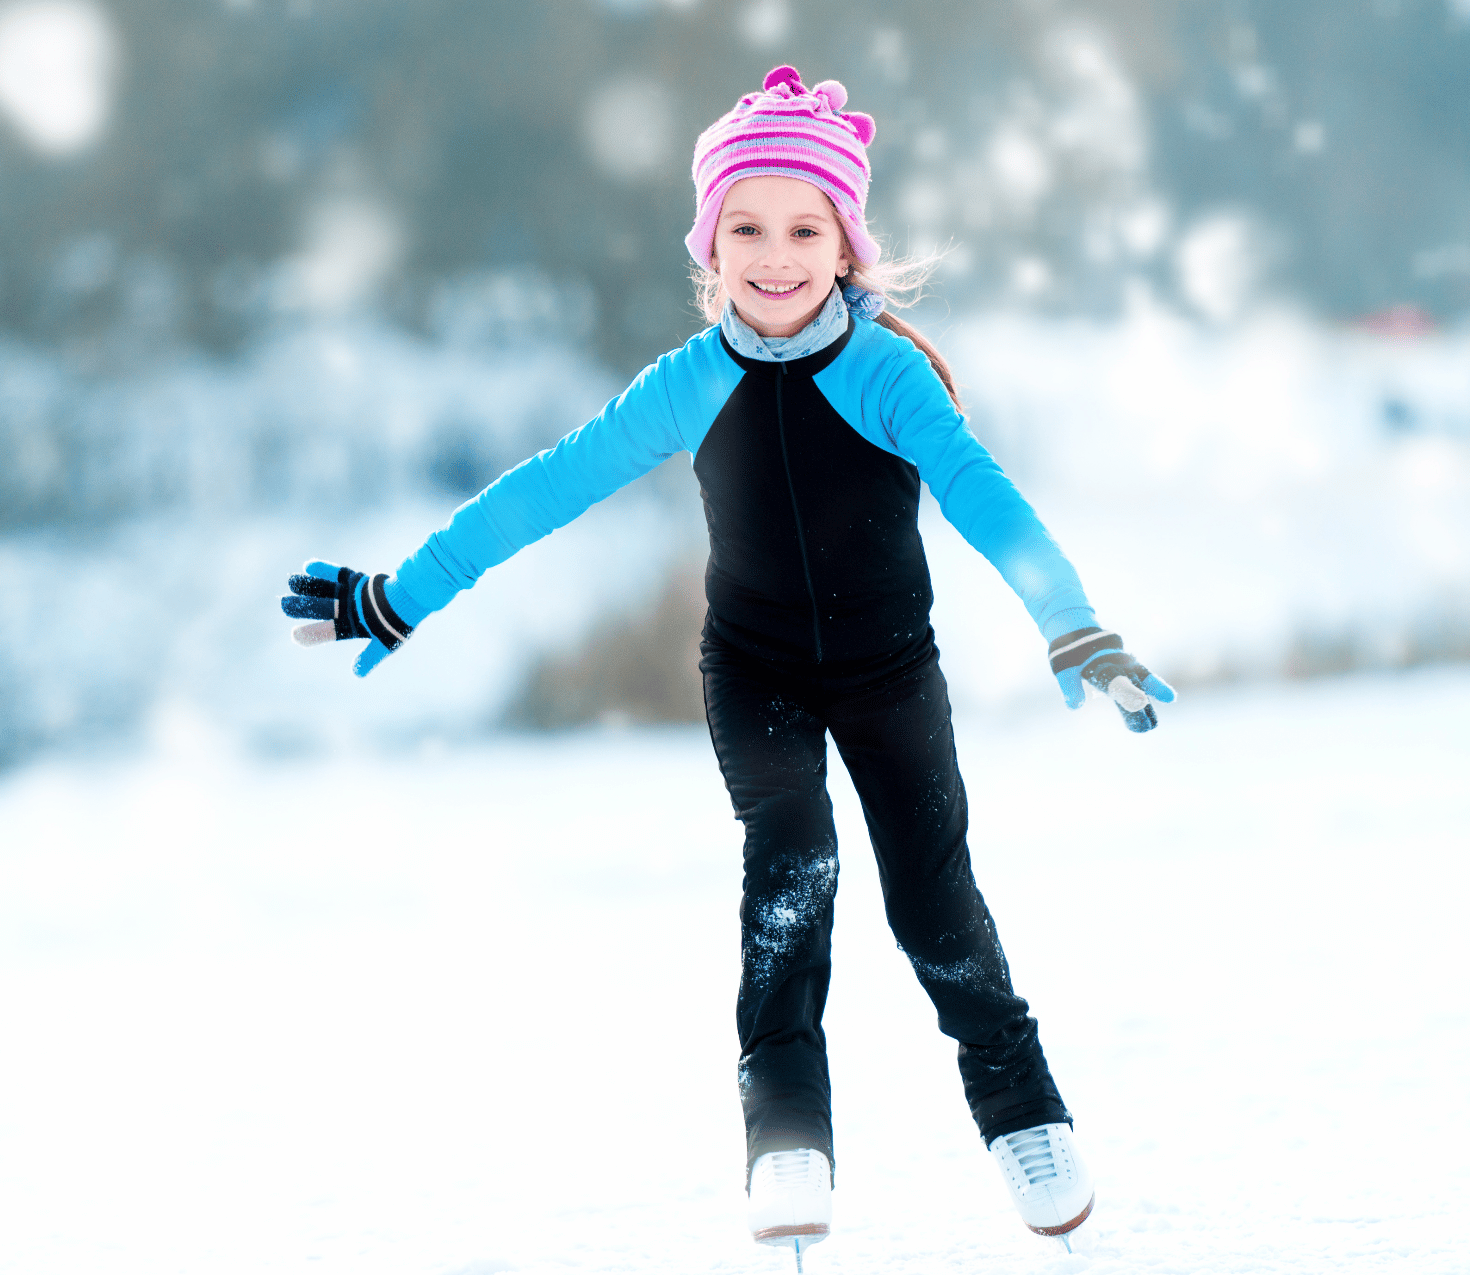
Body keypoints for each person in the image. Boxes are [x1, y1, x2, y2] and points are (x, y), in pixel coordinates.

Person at [281, 64, 1173, 1262]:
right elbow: (544, 489)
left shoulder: (886, 374)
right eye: (744, 228)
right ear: (711, 247)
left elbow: (984, 496)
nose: (774, 255)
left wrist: (1073, 621)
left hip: (889, 673)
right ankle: (787, 1130)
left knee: (933, 894)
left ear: (845, 243)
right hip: (751, 672)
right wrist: (401, 596)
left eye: (805, 228)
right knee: (791, 865)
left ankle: (1024, 1114)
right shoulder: (689, 384)